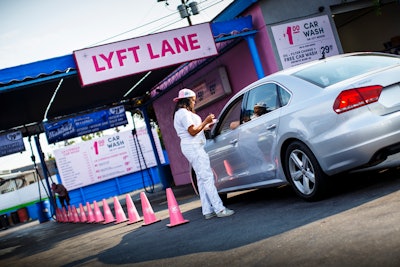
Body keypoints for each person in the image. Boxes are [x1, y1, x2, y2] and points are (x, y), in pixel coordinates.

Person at [173, 88, 235, 219]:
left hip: (192, 146)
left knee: (201, 179)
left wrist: (206, 126)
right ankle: (220, 209)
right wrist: (206, 122)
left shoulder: (181, 113)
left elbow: (194, 130)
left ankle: (207, 211)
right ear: (187, 100)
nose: (194, 103)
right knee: (207, 178)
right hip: (194, 147)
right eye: (193, 100)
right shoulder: (184, 113)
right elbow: (192, 131)